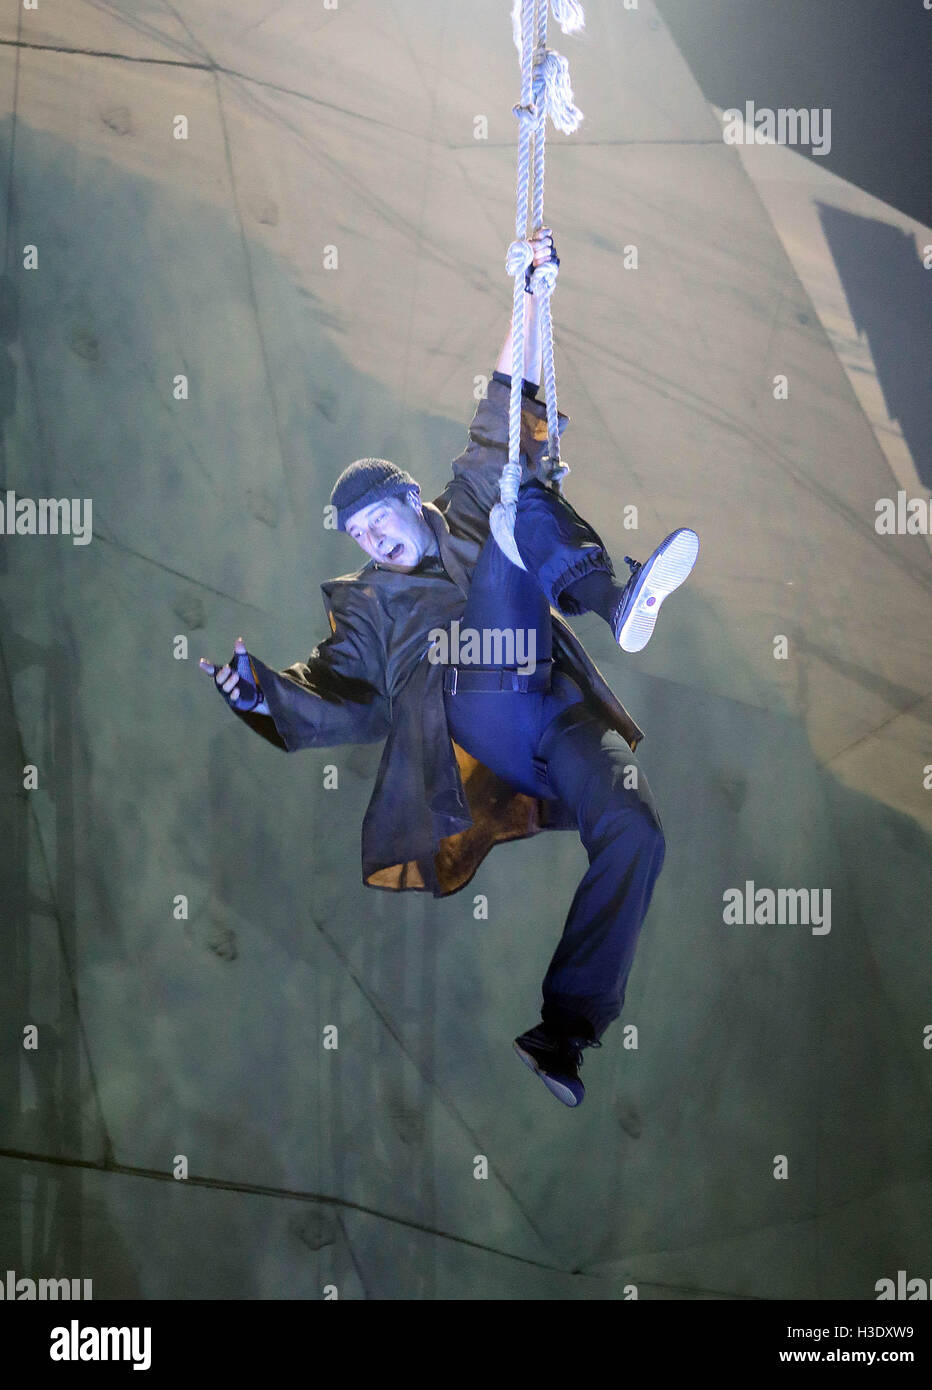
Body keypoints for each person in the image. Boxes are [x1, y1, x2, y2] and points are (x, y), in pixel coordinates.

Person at [200, 230, 699, 1106]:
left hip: (558, 711)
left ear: (409, 501)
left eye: (376, 521)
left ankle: (565, 1030)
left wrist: (530, 293)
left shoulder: (458, 506)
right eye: (355, 537)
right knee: (511, 520)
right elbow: (334, 698)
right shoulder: (367, 608)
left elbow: (500, 409)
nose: (370, 542)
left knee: (638, 832)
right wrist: (259, 696)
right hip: (480, 704)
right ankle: (608, 598)